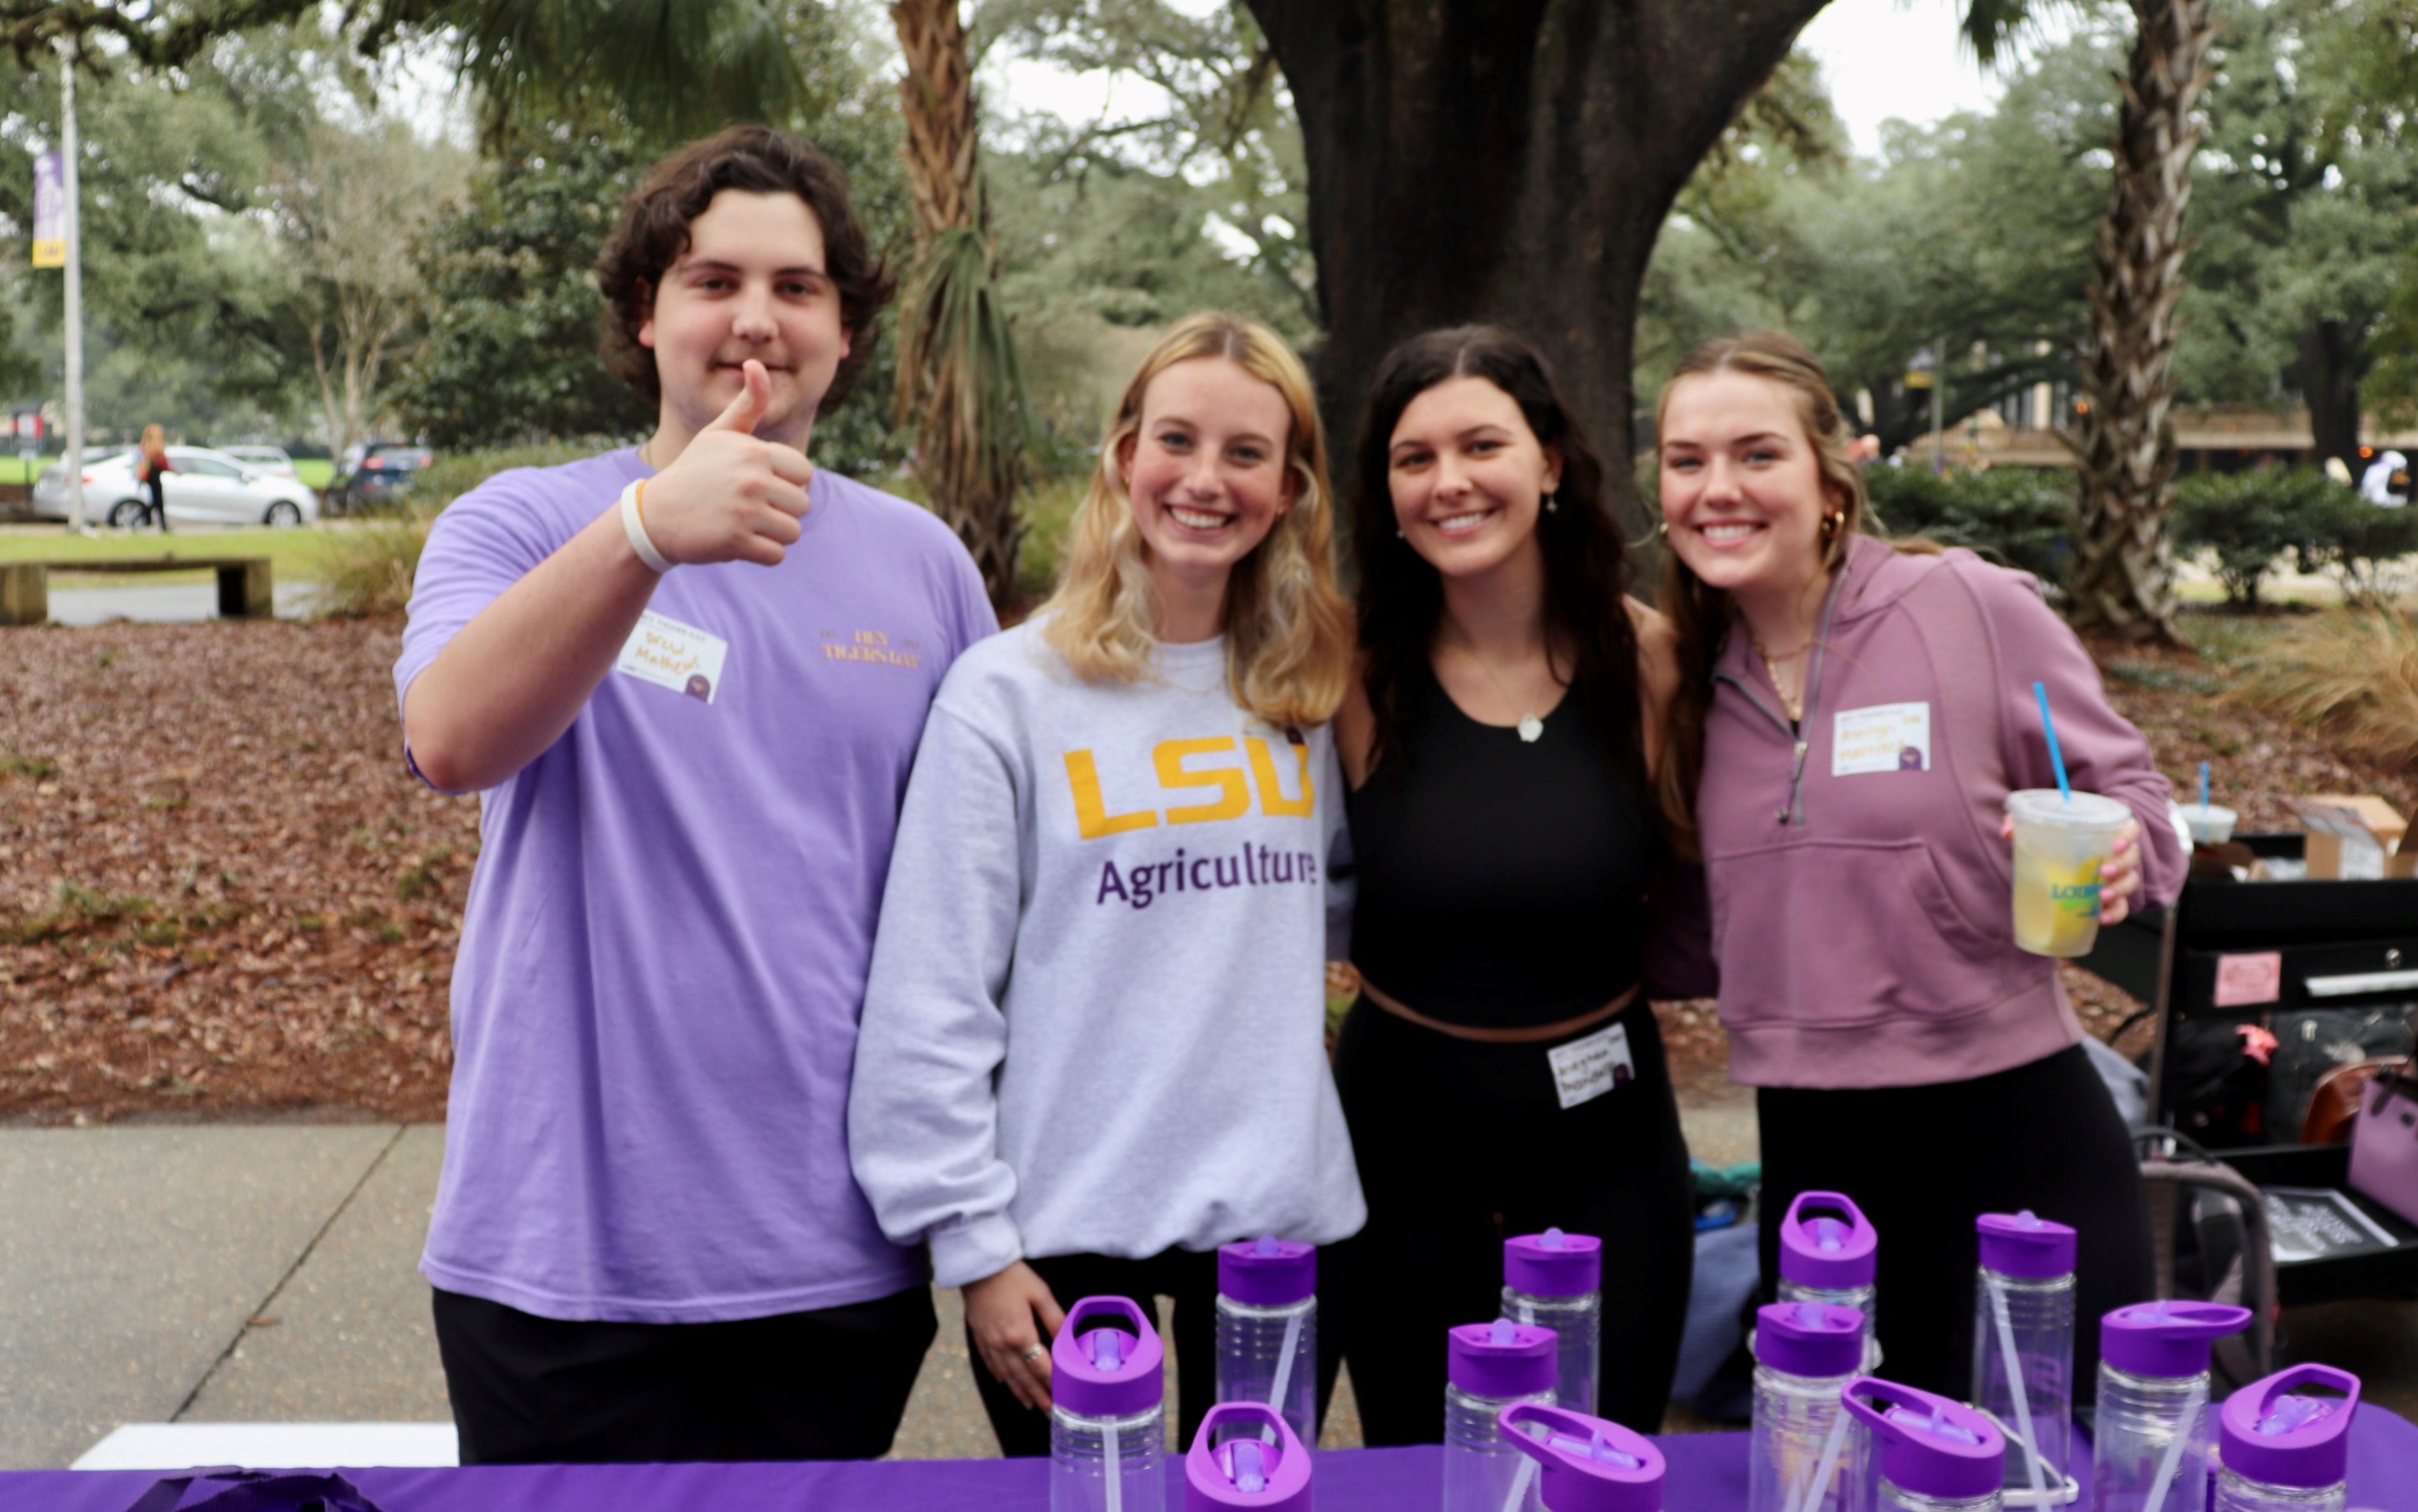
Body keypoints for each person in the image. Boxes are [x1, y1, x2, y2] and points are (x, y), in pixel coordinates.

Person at [393, 125, 997, 1464]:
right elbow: (448, 737)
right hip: (557, 1258)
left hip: (833, 1260)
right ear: (645, 316)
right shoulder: (522, 525)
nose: (755, 320)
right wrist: (648, 533)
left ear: (844, 331)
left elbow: (971, 906)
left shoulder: (922, 569)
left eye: (796, 287)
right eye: (712, 281)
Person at [849, 311, 1363, 1454]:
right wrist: (973, 1243)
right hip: (1062, 1240)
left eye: (1246, 453)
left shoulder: (1314, 690)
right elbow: (932, 989)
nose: (1204, 479)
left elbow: (1348, 903)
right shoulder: (1006, 694)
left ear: (1289, 488)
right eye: (1176, 440)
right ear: (1125, 455)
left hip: (1279, 1230)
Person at [1650, 330, 2184, 1397]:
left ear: (1830, 474)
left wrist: (2123, 845)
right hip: (1812, 1144)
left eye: (1758, 455)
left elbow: (2140, 803)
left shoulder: (1970, 608)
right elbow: (1690, 928)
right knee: (1842, 1453)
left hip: (2014, 1120)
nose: (1720, 489)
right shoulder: (1681, 675)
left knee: (2068, 1453)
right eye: (1686, 460)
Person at [1330, 325, 1691, 1441]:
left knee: (1604, 1463)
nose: (1449, 482)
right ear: (1385, 491)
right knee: (1425, 1469)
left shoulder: (1653, 663)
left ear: (1547, 460)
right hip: (1398, 1147)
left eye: (1481, 443)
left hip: (1609, 1148)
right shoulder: (1339, 668)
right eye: (1414, 457)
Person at [135, 424, 171, 532]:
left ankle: (163, 526)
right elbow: (162, 464)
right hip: (154, 476)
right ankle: (137, 518)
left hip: (149, 477)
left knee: (156, 502)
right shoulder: (156, 447)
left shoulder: (144, 447)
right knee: (157, 502)